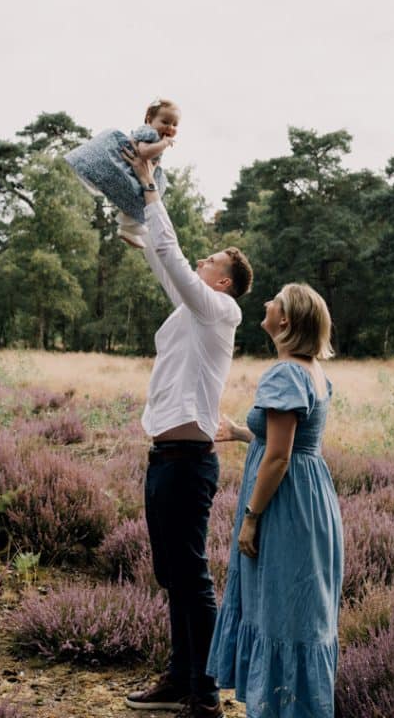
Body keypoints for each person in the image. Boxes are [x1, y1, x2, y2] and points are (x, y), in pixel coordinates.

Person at [120, 144, 253, 718]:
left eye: (209, 262)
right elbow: (167, 261)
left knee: (193, 577)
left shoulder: (223, 313)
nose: (200, 262)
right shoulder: (191, 311)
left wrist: (152, 190)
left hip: (189, 462)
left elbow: (173, 257)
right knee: (173, 576)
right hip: (163, 458)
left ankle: (207, 695)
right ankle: (180, 678)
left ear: (222, 284)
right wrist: (144, 208)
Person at [206, 283, 344, 718]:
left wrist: (251, 518)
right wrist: (244, 433)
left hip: (286, 509)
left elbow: (281, 456)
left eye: (275, 301)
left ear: (285, 320)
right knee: (300, 611)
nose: (266, 303)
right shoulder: (312, 371)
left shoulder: (285, 373)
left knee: (281, 611)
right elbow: (290, 440)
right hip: (312, 502)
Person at [63, 98, 180, 248]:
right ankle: (129, 227)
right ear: (150, 120)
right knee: (152, 190)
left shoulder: (156, 137)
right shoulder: (149, 132)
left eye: (175, 124)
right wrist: (163, 144)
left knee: (150, 193)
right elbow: (143, 152)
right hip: (128, 165)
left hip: (140, 171)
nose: (170, 127)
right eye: (165, 122)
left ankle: (129, 227)